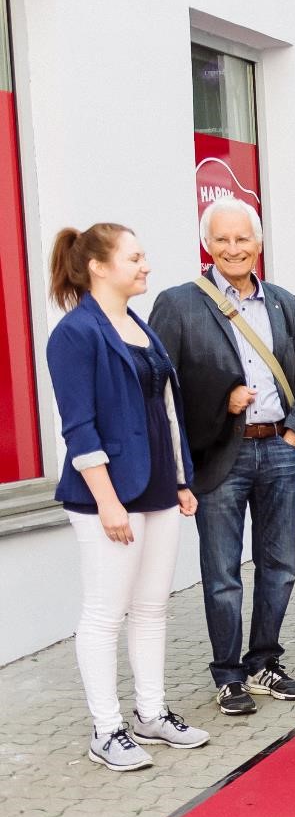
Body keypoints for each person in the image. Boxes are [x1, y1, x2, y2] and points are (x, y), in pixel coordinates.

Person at [148, 197, 295, 716]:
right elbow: (161, 387)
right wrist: (219, 405)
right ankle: (228, 675)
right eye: (221, 239)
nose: (232, 248)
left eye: (242, 238)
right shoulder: (178, 303)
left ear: (258, 244)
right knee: (222, 571)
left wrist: (294, 435)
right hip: (220, 455)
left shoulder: (283, 302)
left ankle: (265, 660)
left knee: (280, 565)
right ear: (208, 245)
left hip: (279, 450)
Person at [47, 223, 208, 770]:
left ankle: (151, 714)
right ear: (98, 266)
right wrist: (108, 501)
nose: (145, 266)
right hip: (106, 498)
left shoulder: (139, 325)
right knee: (104, 614)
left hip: (159, 488)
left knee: (151, 610)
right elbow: (79, 427)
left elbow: (167, 410)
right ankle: (107, 729)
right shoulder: (75, 333)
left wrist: (182, 479)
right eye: (135, 257)